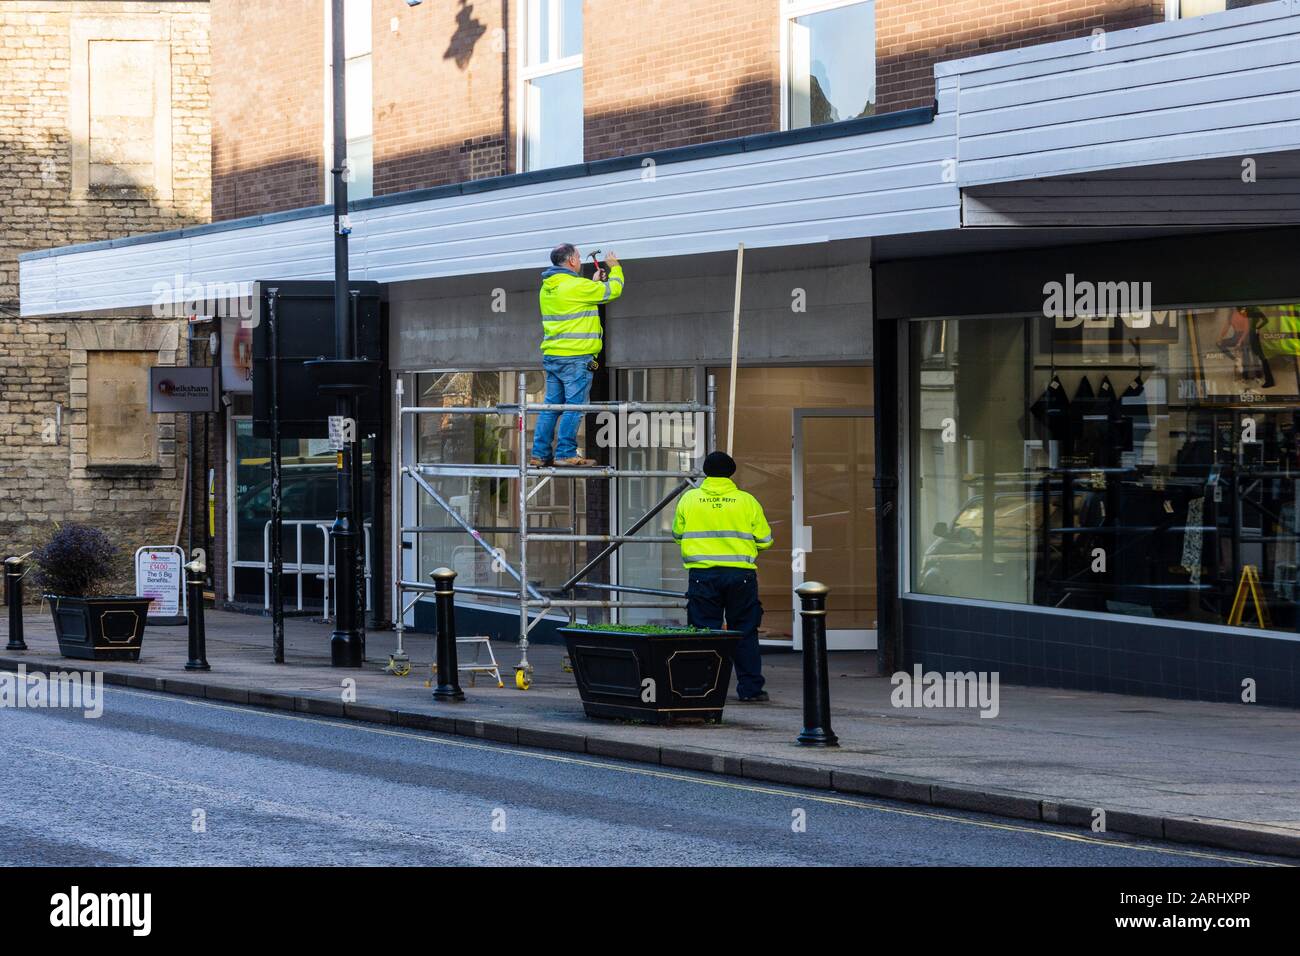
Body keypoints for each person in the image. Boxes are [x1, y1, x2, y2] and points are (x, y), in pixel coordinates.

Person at [672, 451, 773, 702]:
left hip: (702, 576)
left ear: (706, 472)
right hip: (741, 576)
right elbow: (765, 540)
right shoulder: (746, 501)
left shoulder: (689, 499)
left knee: (703, 634)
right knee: (745, 632)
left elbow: (678, 534)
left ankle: (701, 689)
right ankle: (750, 690)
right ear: (732, 472)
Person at [529, 243, 624, 466]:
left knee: (552, 407)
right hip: (576, 358)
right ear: (571, 261)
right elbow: (613, 290)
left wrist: (591, 285)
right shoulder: (576, 286)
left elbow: (574, 301)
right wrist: (615, 268)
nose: (580, 261)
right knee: (575, 406)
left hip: (554, 358)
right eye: (579, 258)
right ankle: (565, 453)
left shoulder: (548, 288)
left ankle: (539, 454)